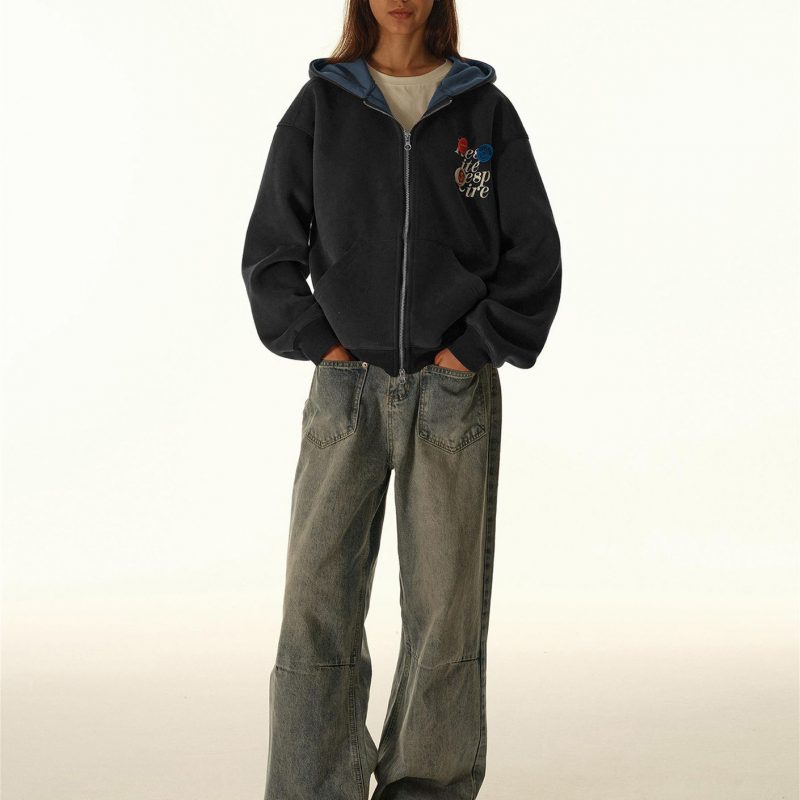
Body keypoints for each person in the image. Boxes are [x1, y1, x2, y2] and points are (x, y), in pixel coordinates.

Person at [241, 0, 562, 797]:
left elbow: (534, 256)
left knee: (445, 611)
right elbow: (270, 252)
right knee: (316, 601)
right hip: (346, 392)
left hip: (453, 394)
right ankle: (313, 787)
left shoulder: (484, 110)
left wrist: (469, 352)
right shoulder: (321, 107)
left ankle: (426, 787)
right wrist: (326, 346)